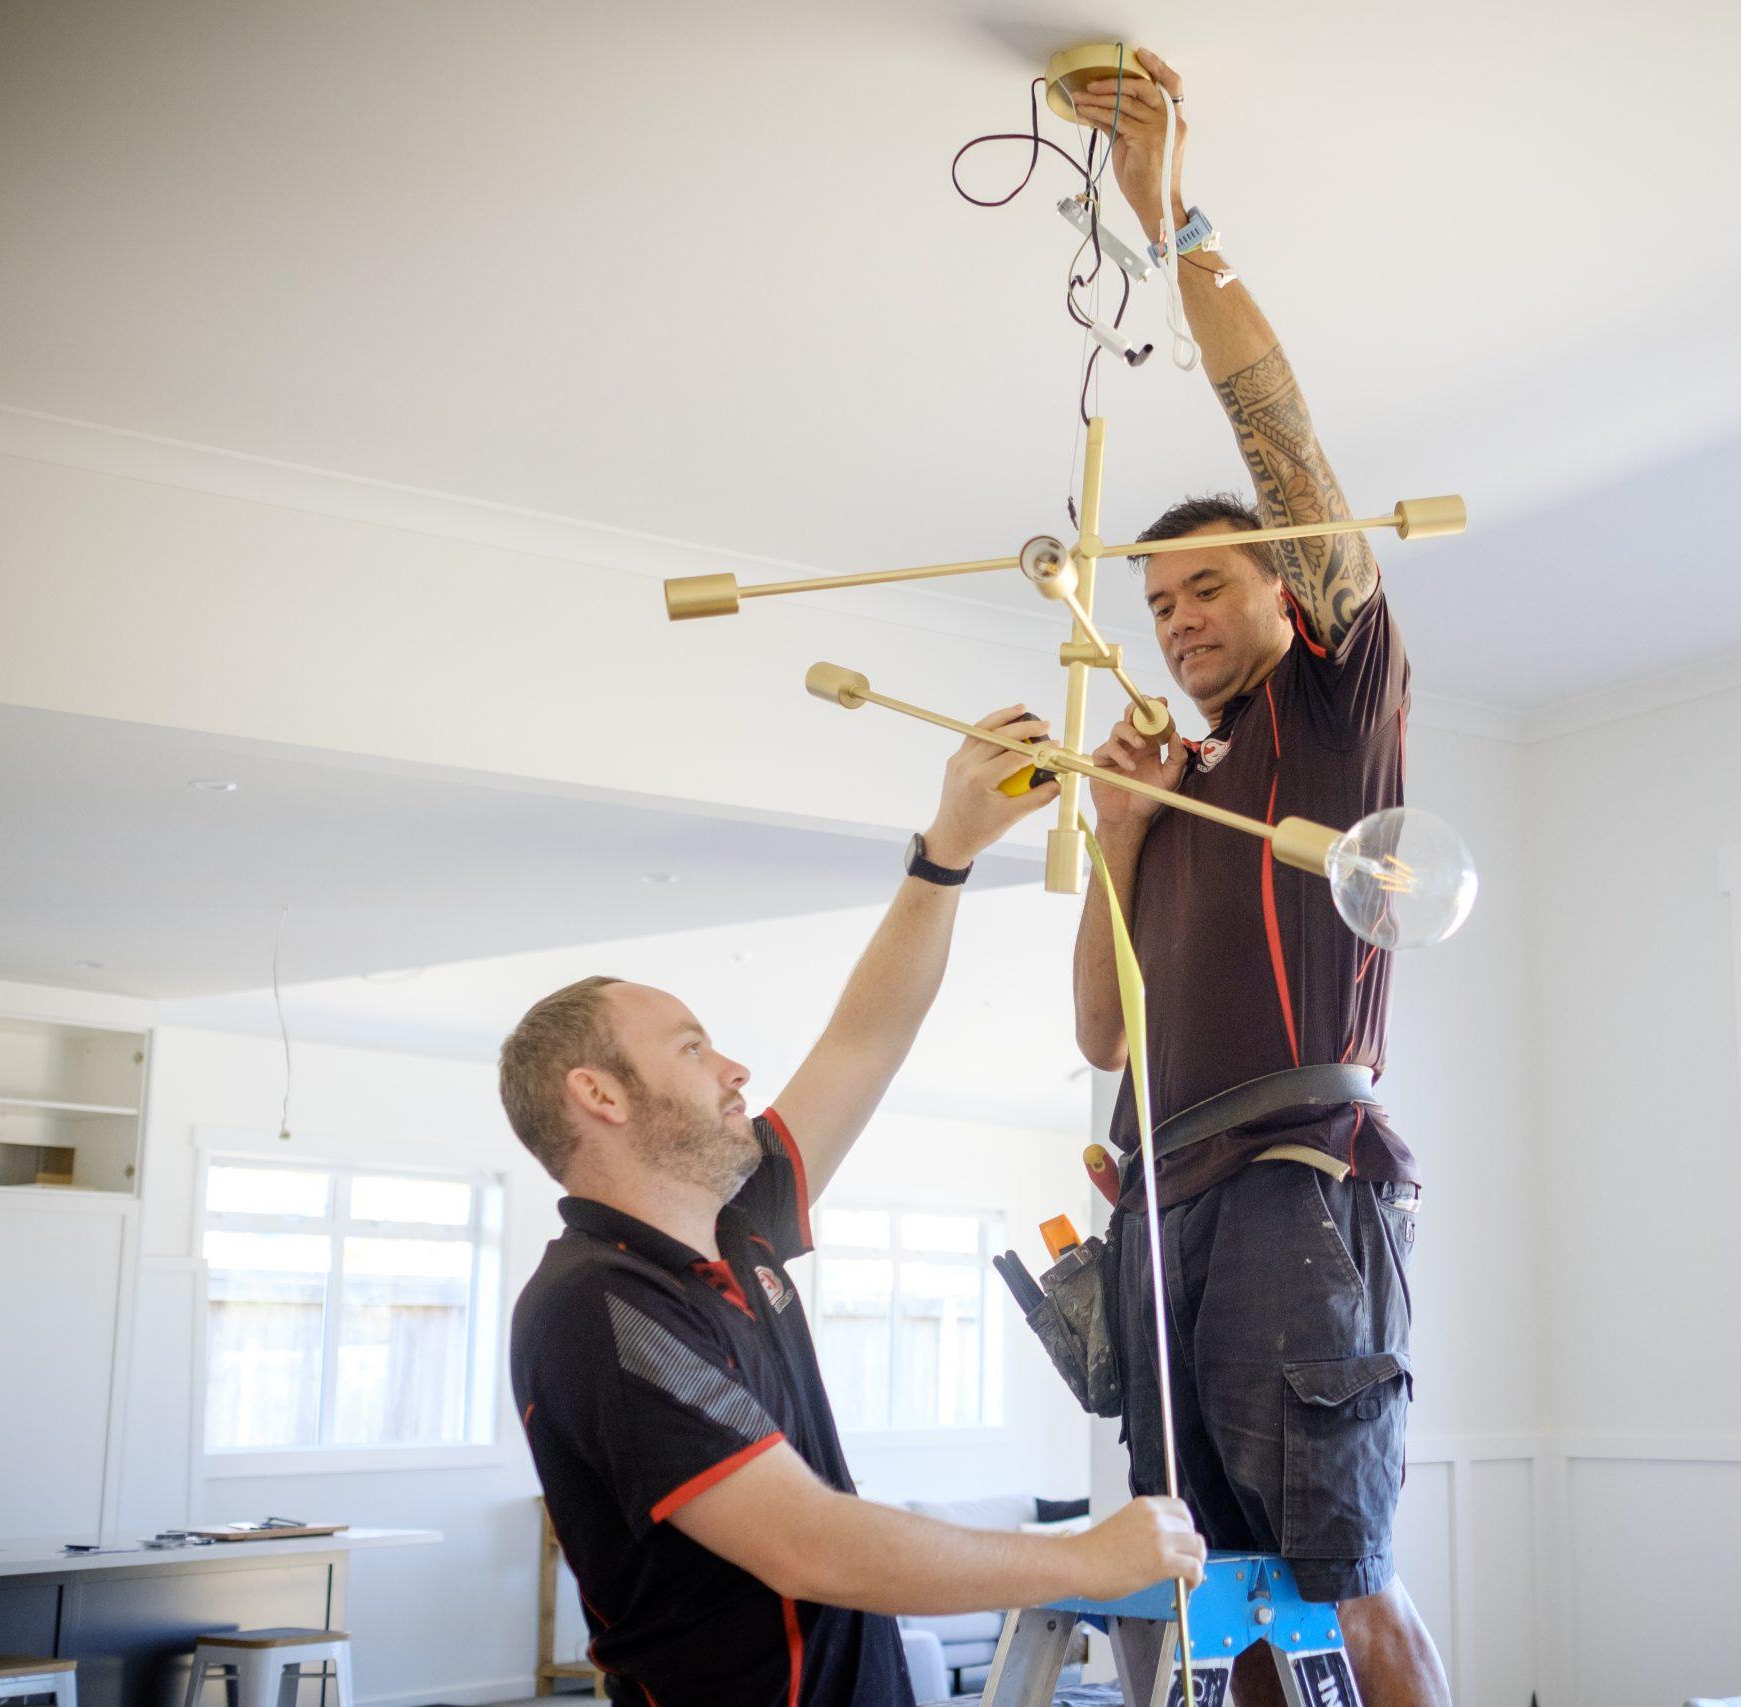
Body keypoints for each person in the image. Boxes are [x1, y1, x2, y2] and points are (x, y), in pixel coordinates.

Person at [504, 706, 1206, 1707]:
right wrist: (1082, 1560)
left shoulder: (733, 1228)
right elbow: (807, 1544)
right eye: (695, 1049)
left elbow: (864, 1039)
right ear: (601, 1097)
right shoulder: (600, 1306)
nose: (736, 1068)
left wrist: (947, 851)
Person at [1066, 52, 1453, 1707]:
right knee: (1229, 1604)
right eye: (1154, 603)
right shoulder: (1179, 781)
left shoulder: (1334, 707)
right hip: (1167, 1206)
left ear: (1291, 595)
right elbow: (1102, 1028)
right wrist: (1120, 829)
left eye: (1204, 584)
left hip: (1300, 1173)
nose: (1175, 618)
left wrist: (1176, 225)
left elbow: (1281, 438)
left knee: (1340, 1581)